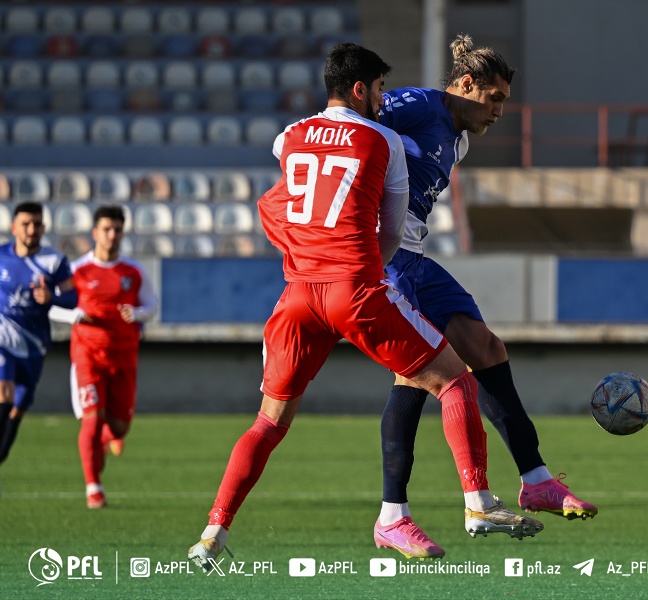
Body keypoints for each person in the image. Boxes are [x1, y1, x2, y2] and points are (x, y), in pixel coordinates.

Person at [188, 42, 542, 572]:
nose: (385, 98)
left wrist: (300, 251)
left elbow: (278, 196)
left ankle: (212, 532)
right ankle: (478, 505)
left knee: (268, 423)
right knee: (455, 382)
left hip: (297, 294)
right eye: (379, 89)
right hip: (353, 289)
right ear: (361, 89)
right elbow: (393, 231)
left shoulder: (294, 134)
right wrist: (364, 274)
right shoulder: (382, 138)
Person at [375, 34, 597, 553]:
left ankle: (537, 480)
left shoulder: (459, 138)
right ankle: (393, 513)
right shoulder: (412, 104)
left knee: (488, 349)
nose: (500, 111)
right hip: (383, 260)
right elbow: (351, 127)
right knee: (414, 375)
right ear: (466, 85)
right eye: (494, 99)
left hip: (414, 258)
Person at [49, 205, 158, 509]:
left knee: (119, 427)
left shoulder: (132, 271)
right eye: (107, 229)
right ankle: (93, 488)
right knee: (92, 419)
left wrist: (136, 313)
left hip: (124, 357)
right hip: (88, 356)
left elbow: (152, 305)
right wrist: (74, 316)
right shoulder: (77, 270)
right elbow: (51, 303)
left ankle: (109, 438)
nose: (112, 235)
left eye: (118, 230)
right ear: (95, 233)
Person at [0, 202, 77, 477]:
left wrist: (51, 298)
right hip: (3, 337)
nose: (32, 229)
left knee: (19, 404)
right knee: (4, 390)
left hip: (33, 344)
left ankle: (3, 449)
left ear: (44, 227)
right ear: (14, 227)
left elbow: (72, 298)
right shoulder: (1, 256)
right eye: (25, 224)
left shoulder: (54, 261)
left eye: (37, 224)